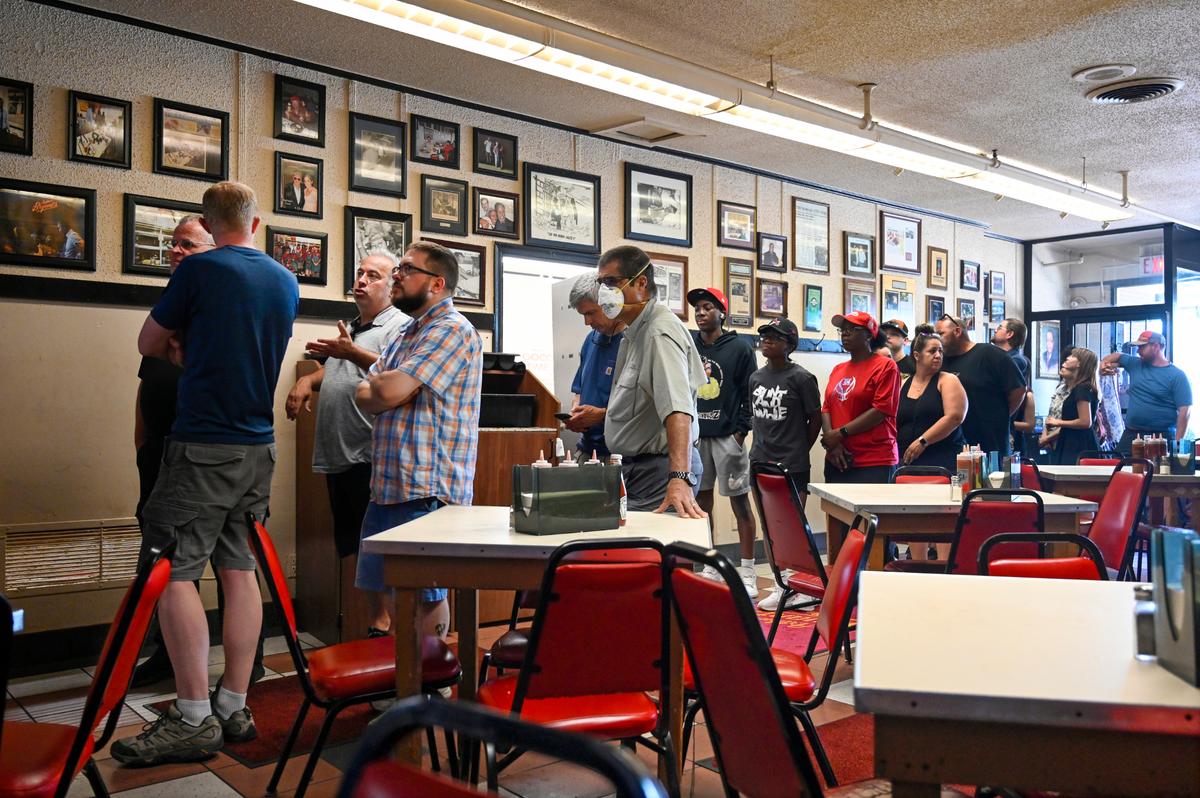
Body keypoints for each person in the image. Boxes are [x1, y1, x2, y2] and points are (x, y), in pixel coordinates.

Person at [114, 181, 298, 765]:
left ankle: (192, 716)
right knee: (240, 569)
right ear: (256, 221)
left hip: (202, 443)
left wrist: (178, 343)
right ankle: (232, 703)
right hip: (258, 446)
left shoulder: (198, 272)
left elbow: (148, 343)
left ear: (207, 223)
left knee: (174, 571)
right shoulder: (284, 278)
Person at [354, 241, 483, 642]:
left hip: (427, 487)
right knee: (391, 588)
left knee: (426, 593)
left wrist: (391, 388)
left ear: (437, 283)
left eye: (407, 269)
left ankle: (429, 687)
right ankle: (405, 682)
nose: (397, 275)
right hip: (390, 484)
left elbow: (386, 392)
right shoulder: (407, 331)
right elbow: (365, 391)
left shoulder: (452, 329)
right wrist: (391, 388)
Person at [285, 253, 408, 613]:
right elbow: (339, 368)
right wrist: (308, 378)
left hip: (371, 455)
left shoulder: (399, 327)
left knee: (377, 545)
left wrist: (351, 351)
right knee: (356, 545)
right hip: (340, 454)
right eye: (359, 273)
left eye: (373, 275)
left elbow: (398, 374)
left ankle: (386, 626)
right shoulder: (354, 327)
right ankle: (376, 622)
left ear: (392, 286)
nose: (362, 280)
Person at [129, 216, 218, 689]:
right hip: (157, 451)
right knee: (158, 557)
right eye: (173, 243)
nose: (176, 251)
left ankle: (241, 666)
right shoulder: (170, 303)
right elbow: (147, 380)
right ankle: (165, 654)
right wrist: (141, 441)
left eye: (189, 244)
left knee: (217, 557)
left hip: (202, 454)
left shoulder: (216, 305)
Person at [599, 245, 706, 517]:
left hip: (660, 474)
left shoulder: (659, 332)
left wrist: (679, 478)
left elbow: (678, 410)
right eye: (601, 283)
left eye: (611, 282)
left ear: (641, 283)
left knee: (658, 554)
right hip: (641, 472)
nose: (603, 291)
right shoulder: (635, 333)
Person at [748, 317, 822, 610]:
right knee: (769, 526)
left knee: (792, 526)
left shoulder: (802, 378)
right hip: (760, 459)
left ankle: (801, 584)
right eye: (765, 335)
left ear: (789, 344)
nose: (767, 340)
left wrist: (800, 447)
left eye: (775, 337)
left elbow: (814, 417)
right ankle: (781, 583)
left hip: (791, 463)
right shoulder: (756, 377)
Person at [688, 287, 758, 593]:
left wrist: (741, 431)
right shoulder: (690, 345)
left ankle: (748, 571)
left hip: (728, 437)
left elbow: (750, 392)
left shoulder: (740, 347)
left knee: (740, 503)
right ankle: (709, 565)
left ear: (722, 312)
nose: (701, 313)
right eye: (697, 309)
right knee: (701, 505)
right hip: (697, 436)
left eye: (707, 307)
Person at [821, 311, 901, 484]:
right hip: (839, 458)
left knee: (869, 512)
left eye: (853, 329)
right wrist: (832, 442)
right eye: (842, 329)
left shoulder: (886, 366)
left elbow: (880, 411)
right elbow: (827, 407)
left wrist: (840, 433)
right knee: (835, 511)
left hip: (874, 461)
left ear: (868, 334)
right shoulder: (838, 369)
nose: (845, 333)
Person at [935, 314, 1025, 456]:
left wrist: (999, 416)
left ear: (957, 332)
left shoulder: (990, 354)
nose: (937, 339)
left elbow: (1018, 389)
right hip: (953, 442)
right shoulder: (941, 361)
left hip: (989, 441)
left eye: (941, 333)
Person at [565, 273, 625, 461]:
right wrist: (576, 413)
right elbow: (579, 391)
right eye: (583, 315)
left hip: (620, 454)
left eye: (591, 313)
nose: (587, 322)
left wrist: (602, 415)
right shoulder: (590, 340)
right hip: (588, 450)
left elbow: (643, 406)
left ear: (610, 303)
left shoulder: (633, 343)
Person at [1101, 331, 1192, 453]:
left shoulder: (1177, 376)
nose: (1138, 351)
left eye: (1142, 347)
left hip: (1162, 437)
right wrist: (1103, 363)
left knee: (1160, 470)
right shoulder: (1135, 364)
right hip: (1132, 434)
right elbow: (1117, 356)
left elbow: (1185, 412)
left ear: (1156, 346)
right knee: (1117, 468)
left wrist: (1178, 446)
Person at [896, 325, 968, 471]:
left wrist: (923, 441)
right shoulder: (903, 384)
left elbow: (954, 417)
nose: (938, 355)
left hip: (942, 459)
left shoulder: (948, 380)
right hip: (907, 461)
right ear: (917, 355)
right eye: (932, 351)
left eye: (940, 351)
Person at [1042, 347, 1100, 465]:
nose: (1068, 358)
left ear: (1080, 364)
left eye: (1073, 356)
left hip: (1079, 444)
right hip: (1070, 440)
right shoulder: (1077, 388)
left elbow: (1085, 422)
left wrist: (1058, 422)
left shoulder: (1082, 389)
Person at [991, 317, 1031, 383]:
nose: (995, 330)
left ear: (1009, 334)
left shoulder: (1016, 360)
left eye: (999, 328)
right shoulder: (999, 357)